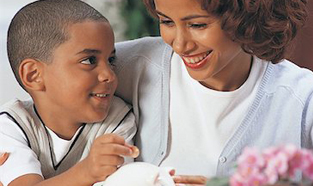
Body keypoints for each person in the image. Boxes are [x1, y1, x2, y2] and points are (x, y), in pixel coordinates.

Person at [114, 0, 313, 184]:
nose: (180, 44)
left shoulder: (302, 99)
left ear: (245, 18)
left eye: (198, 25)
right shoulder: (122, 66)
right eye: (166, 21)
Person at [0, 0, 138, 185]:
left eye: (111, 59)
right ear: (33, 75)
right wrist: (86, 172)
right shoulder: (10, 125)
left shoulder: (118, 119)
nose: (109, 75)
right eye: (89, 60)